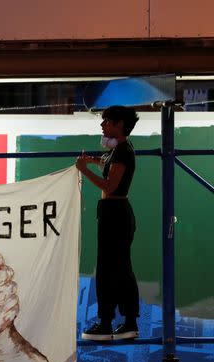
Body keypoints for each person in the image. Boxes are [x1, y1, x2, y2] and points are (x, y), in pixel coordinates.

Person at [76, 106, 141, 341]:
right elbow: (108, 165)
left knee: (111, 268)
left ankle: (107, 323)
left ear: (119, 124)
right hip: (114, 212)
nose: (102, 125)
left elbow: (109, 186)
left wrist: (83, 170)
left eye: (107, 121)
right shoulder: (120, 150)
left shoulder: (123, 151)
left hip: (115, 213)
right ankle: (126, 321)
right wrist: (94, 161)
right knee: (118, 266)